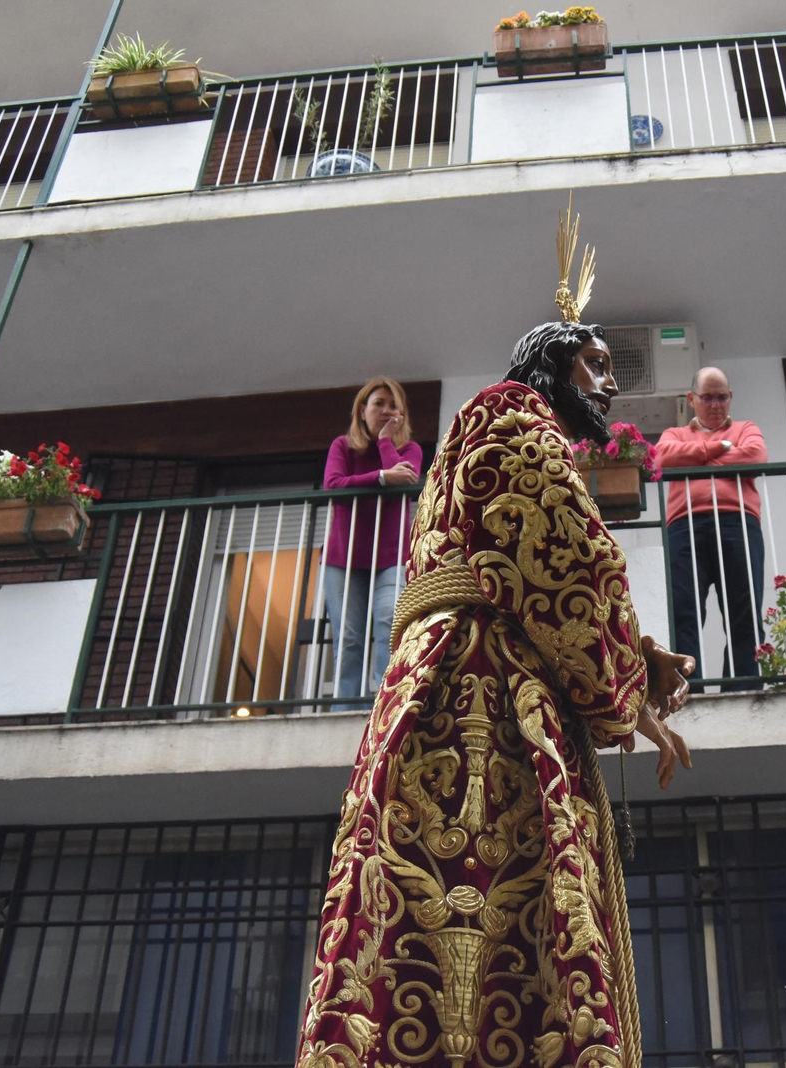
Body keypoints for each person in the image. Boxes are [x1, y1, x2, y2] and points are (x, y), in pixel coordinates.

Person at [296, 204, 694, 1068]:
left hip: (445, 680)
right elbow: (571, 562)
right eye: (595, 367)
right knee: (492, 924)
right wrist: (635, 686)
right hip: (476, 692)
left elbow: (545, 565)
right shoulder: (513, 419)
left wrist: (639, 662)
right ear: (550, 367)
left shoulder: (485, 429)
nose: (610, 387)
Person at [655, 366, 769, 691]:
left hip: (739, 522)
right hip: (685, 526)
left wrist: (694, 461)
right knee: (685, 611)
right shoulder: (673, 434)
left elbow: (756, 456)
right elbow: (662, 458)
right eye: (708, 397)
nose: (716, 404)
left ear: (730, 398)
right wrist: (717, 449)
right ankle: (691, 689)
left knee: (743, 609)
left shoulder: (747, 428)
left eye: (722, 397)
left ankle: (744, 686)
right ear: (692, 399)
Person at [320, 377, 422, 711]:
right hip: (344, 558)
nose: (386, 410)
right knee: (349, 638)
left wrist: (385, 442)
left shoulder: (409, 449)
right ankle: (343, 708)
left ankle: (383, 710)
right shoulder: (342, 446)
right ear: (362, 410)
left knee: (387, 623)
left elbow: (405, 477)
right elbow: (334, 485)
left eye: (394, 406)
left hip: (391, 557)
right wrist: (379, 477)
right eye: (379, 403)